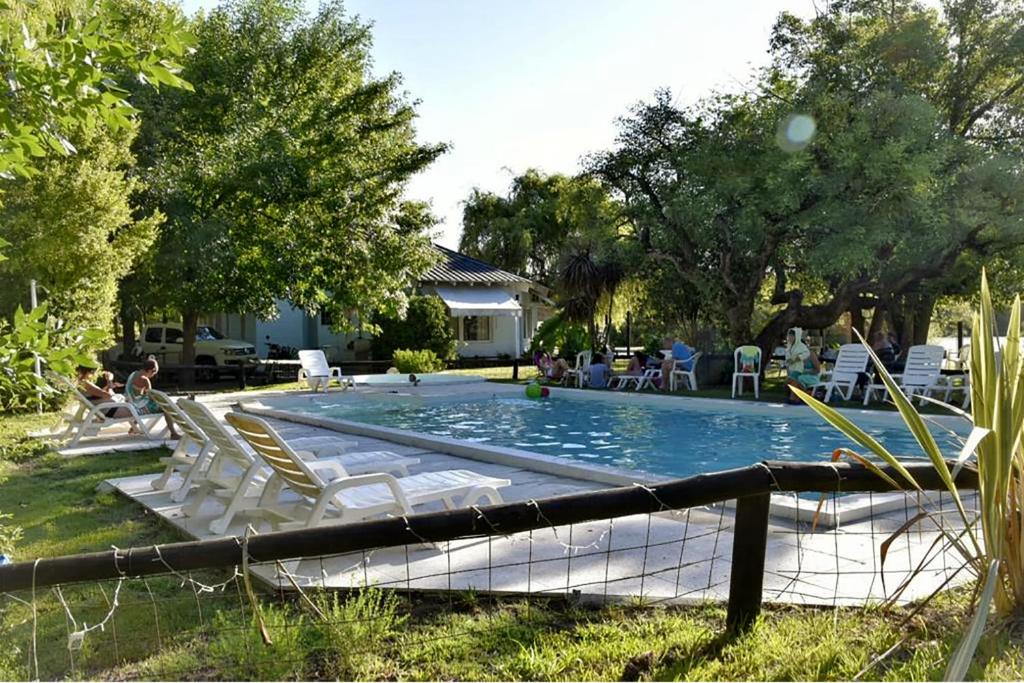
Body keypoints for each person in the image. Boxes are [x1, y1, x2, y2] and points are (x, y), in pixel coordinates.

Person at [125, 357, 180, 438]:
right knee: (166, 408)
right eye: (154, 373)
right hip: (137, 408)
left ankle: (133, 427)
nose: (153, 375)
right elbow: (151, 397)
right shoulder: (145, 379)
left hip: (131, 403)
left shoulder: (133, 374)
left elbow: (136, 394)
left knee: (150, 402)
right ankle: (173, 433)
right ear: (151, 370)